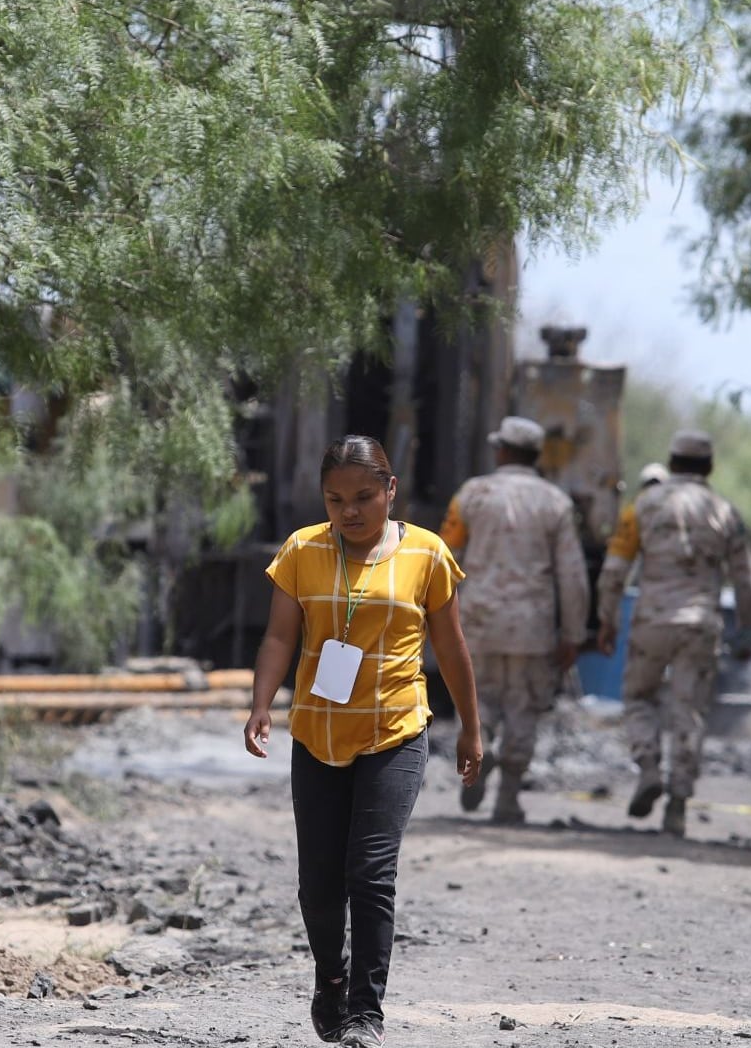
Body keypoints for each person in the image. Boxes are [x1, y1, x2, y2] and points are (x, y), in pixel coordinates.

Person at [244, 435, 483, 1048]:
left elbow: (451, 646)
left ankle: (365, 1014)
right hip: (317, 734)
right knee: (319, 884)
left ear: (390, 491)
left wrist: (471, 729)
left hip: (395, 731)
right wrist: (261, 706)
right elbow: (279, 637)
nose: (349, 511)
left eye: (363, 497)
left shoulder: (427, 553)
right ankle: (332, 976)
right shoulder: (302, 550)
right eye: (335, 499)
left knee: (371, 873)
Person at [595, 429, 751, 837]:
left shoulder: (641, 506)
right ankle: (678, 805)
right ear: (710, 467)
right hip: (700, 626)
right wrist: (747, 629)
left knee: (638, 697)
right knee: (689, 711)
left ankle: (649, 767)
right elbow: (749, 584)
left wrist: (607, 620)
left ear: (671, 463)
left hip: (652, 622)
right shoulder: (725, 513)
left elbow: (614, 572)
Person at [439, 416, 590, 824]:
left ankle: (480, 754)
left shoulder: (472, 494)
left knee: (478, 700)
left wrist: (431, 619)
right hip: (532, 626)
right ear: (535, 455)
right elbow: (572, 575)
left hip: (478, 620)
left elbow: (443, 557)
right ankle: (507, 799)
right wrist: (573, 633)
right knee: (524, 708)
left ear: (502, 450)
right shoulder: (556, 503)